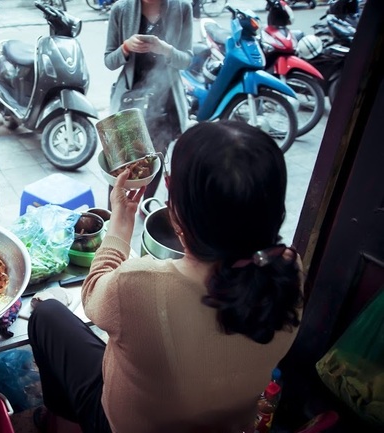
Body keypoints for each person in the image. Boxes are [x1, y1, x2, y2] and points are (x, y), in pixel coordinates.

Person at [28, 121, 304, 433]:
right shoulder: (291, 268)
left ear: (178, 211)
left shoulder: (140, 284)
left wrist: (120, 221)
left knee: (46, 317)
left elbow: (92, 294)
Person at [104, 0, 193, 205]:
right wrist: (126, 47)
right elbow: (109, 61)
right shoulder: (121, 9)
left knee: (154, 161)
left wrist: (166, 49)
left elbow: (186, 60)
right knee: (120, 165)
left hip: (166, 103)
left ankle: (145, 206)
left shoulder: (182, 8)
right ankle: (113, 217)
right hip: (130, 100)